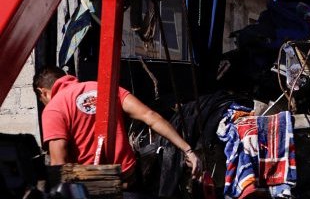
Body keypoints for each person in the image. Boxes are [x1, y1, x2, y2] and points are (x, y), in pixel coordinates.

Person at [35, 67, 198, 187]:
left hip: (90, 186)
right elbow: (150, 116)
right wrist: (188, 150)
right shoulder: (104, 88)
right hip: (127, 177)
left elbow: (58, 165)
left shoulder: (53, 108)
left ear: (42, 92)